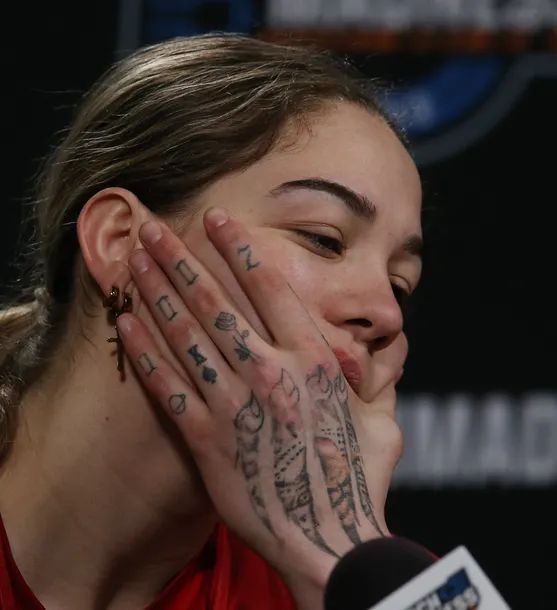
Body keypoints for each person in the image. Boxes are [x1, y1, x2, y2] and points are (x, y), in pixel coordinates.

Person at [0, 33, 422, 610]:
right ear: (122, 242)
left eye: (401, 283)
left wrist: (346, 555)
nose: (385, 312)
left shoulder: (339, 581)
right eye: (323, 238)